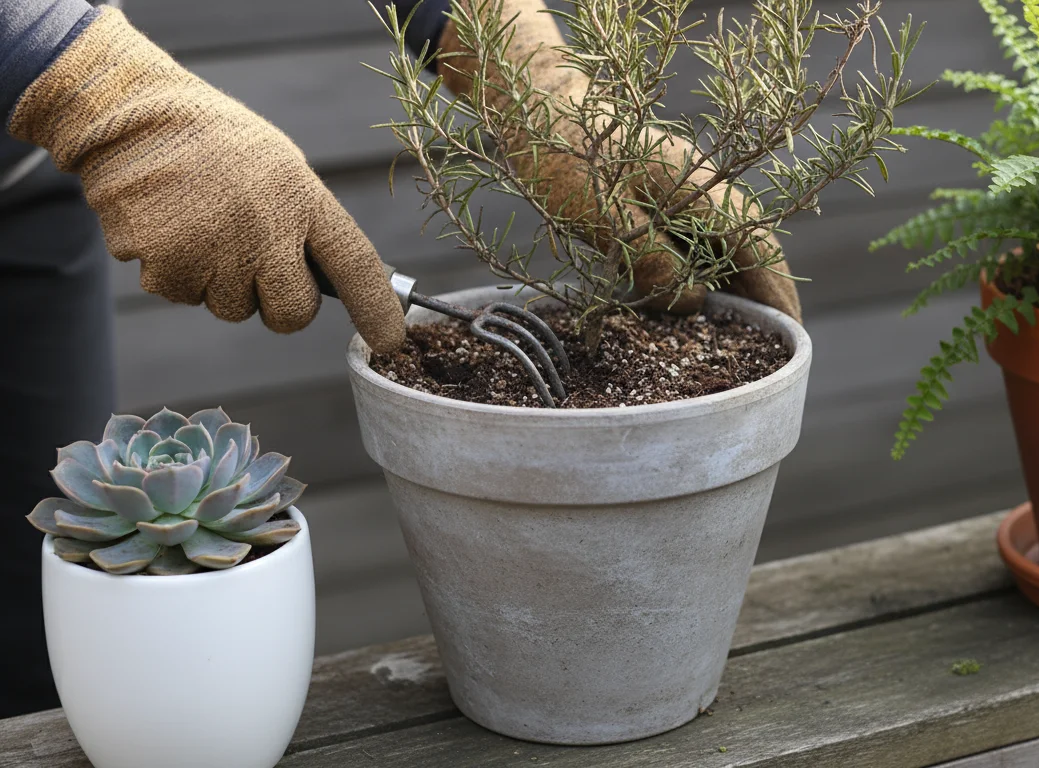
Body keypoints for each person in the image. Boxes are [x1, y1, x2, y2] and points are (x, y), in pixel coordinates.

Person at [0, 0, 799, 717]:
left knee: (32, 628)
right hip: (49, 99)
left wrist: (513, 55)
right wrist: (91, 83)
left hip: (24, 167)